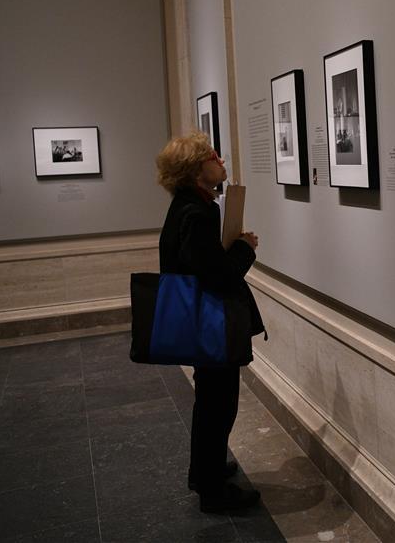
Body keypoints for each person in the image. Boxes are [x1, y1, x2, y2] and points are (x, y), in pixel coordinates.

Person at [156, 131, 265, 512]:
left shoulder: (190, 205)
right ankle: (212, 490)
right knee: (217, 406)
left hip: (200, 319)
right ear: (195, 169)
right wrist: (244, 249)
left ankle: (208, 469)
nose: (221, 162)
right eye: (213, 157)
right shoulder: (196, 213)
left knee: (213, 402)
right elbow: (217, 275)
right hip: (208, 322)